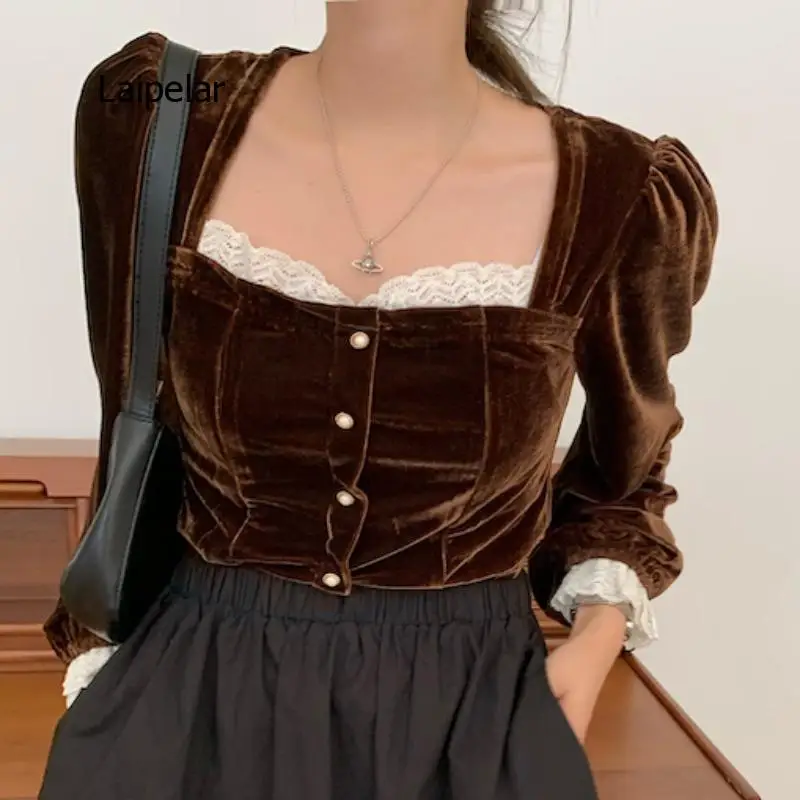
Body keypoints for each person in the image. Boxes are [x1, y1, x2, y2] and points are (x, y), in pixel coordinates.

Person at [38, 1, 718, 798]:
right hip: (194, 702)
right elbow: (126, 401)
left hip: (468, 720)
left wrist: (598, 633)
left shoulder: (621, 191)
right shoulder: (158, 107)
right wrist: (101, 657)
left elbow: (624, 473)